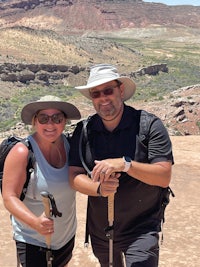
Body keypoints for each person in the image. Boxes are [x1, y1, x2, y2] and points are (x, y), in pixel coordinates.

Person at [69, 64, 174, 267]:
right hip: (101, 230)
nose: (103, 98)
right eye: (96, 93)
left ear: (121, 90)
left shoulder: (149, 125)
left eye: (108, 90)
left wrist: (126, 165)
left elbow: (163, 176)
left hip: (141, 228)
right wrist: (98, 189)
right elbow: (74, 175)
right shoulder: (84, 130)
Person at [2, 95, 81, 267]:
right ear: (34, 122)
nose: (50, 124)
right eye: (43, 118)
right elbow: (9, 197)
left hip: (65, 239)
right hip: (33, 241)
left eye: (57, 118)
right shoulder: (22, 152)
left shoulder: (70, 145)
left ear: (64, 121)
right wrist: (35, 223)